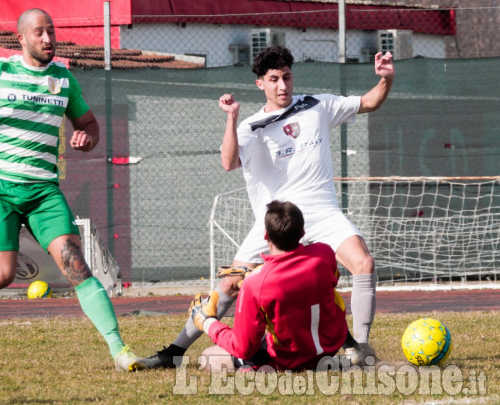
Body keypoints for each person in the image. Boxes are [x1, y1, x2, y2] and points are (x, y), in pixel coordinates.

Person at [141, 45, 394, 368]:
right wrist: (232, 118)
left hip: (321, 212)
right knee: (230, 283)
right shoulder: (250, 127)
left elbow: (370, 101)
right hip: (275, 223)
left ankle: (360, 349)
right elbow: (228, 162)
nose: (282, 86)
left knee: (364, 263)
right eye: (274, 79)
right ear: (260, 83)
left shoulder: (318, 105)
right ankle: (173, 353)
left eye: (287, 77)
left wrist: (385, 79)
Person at [0, 8, 143, 372]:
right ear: (22, 38)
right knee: (1, 276)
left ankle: (120, 350)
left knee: (77, 267)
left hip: (44, 191)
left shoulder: (64, 80)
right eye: (39, 32)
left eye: (52, 32)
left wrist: (86, 138)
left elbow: (89, 124)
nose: (48, 39)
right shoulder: (0, 71)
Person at [189, 200, 349, 372]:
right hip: (330, 346)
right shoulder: (324, 254)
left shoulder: (255, 284)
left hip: (289, 359)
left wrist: (208, 323)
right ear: (302, 233)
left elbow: (243, 347)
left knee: (208, 357)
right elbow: (308, 278)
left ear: (265, 235)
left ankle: (262, 370)